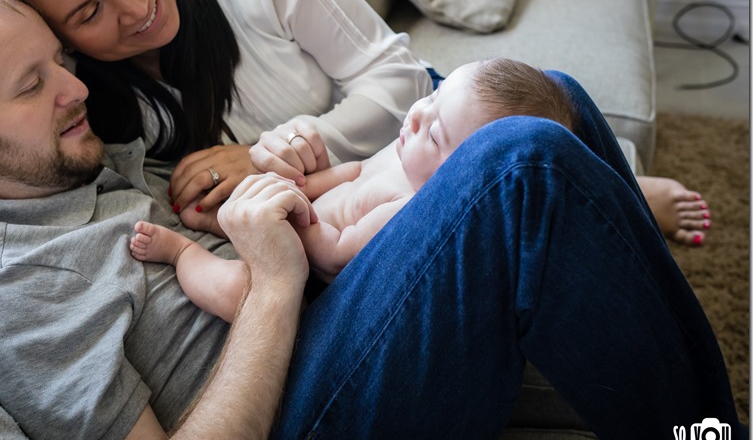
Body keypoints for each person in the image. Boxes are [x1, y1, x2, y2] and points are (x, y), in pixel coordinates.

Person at [0, 0, 747, 440]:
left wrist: (267, 163)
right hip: (301, 437)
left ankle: (682, 399)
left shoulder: (84, 157)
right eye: (31, 86)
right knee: (518, 159)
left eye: (59, 63)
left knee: (532, 91)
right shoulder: (10, 281)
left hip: (325, 316)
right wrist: (277, 284)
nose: (73, 90)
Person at [0, 0, 711, 247]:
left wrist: (256, 155)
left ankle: (618, 189)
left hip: (410, 124)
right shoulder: (80, 91)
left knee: (553, 98)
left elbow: (397, 77)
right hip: (336, 206)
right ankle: (599, 197)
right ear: (54, 37)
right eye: (88, 13)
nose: (135, 8)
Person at [133, 58, 577, 286]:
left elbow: (335, 253)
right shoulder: (405, 153)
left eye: (435, 134)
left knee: (234, 291)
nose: (416, 116)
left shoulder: (408, 207)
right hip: (299, 219)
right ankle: (220, 223)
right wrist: (299, 186)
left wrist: (289, 216)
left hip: (307, 275)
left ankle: (181, 254)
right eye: (432, 98)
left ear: (459, 181)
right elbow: (354, 172)